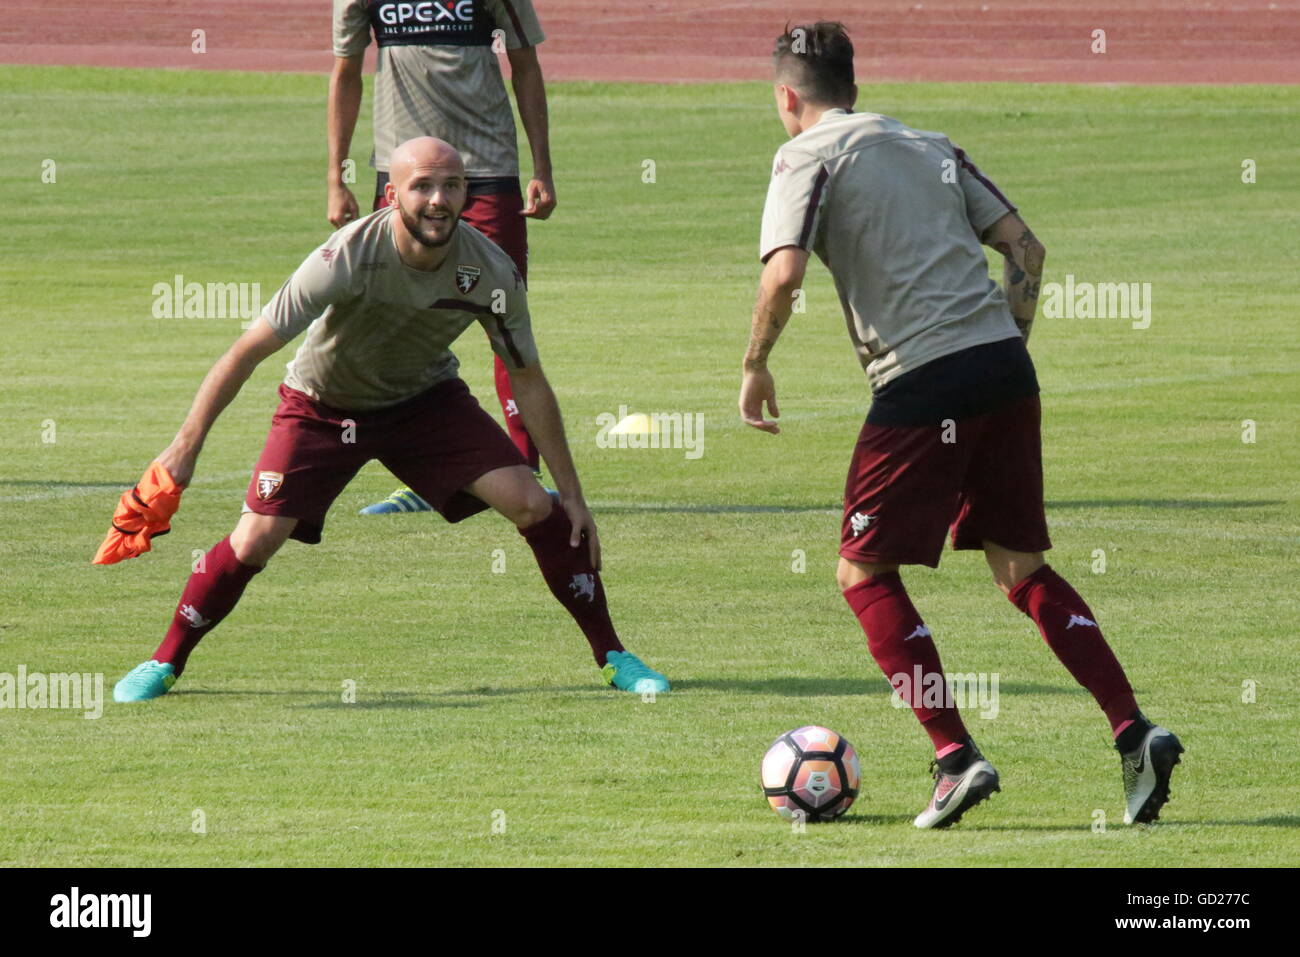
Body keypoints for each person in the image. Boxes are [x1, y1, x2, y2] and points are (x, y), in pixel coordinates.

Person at [738, 22, 1181, 828]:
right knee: (1021, 569)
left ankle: (953, 755)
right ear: (856, 87)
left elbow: (785, 270)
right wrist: (1003, 348)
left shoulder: (803, 154)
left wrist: (755, 361)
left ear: (786, 97)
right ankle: (1132, 730)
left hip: (920, 382)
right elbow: (1027, 248)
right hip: (1006, 368)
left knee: (863, 573)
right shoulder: (930, 142)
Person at [112, 137, 669, 702]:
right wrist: (185, 448)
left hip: (426, 402)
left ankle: (614, 655)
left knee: (534, 502)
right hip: (322, 406)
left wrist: (572, 492)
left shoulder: (491, 271)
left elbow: (527, 377)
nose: (438, 200)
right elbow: (246, 351)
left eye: (452, 185)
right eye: (422, 186)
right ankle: (164, 662)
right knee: (255, 540)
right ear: (390, 194)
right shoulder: (344, 257)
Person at [327, 0, 554, 513]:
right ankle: (425, 476)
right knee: (399, 317)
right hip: (402, 176)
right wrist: (336, 177)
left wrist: (542, 166)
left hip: (487, 169)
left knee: (502, 314)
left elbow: (525, 64)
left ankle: (527, 467)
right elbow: (346, 72)